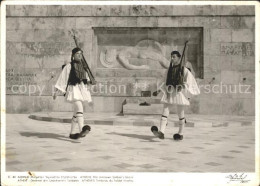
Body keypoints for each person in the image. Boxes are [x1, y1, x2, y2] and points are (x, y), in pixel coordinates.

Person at [151, 51, 200, 140]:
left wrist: (183, 85)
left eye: (174, 57)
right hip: (169, 92)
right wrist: (158, 90)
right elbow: (164, 81)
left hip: (178, 93)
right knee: (165, 112)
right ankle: (161, 132)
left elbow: (190, 80)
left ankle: (180, 133)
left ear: (179, 58)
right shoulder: (169, 70)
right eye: (171, 57)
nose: (172, 58)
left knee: (180, 113)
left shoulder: (183, 69)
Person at [53, 47, 92, 140]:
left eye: (80, 54)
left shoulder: (83, 67)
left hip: (81, 89)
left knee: (76, 112)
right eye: (77, 53)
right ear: (73, 55)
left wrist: (90, 82)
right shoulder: (69, 66)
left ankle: (72, 133)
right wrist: (56, 91)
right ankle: (82, 128)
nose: (79, 55)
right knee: (79, 107)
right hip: (73, 89)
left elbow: (87, 79)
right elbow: (62, 79)